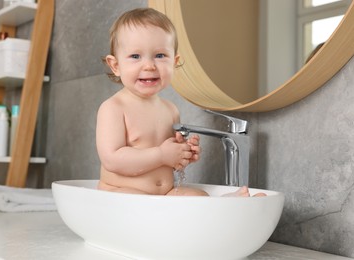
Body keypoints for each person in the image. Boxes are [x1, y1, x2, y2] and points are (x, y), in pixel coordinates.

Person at [96, 8, 262, 197]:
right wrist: (161, 154)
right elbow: (112, 160)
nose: (149, 66)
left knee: (197, 196)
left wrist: (182, 155)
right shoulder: (114, 108)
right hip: (120, 193)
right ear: (116, 65)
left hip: (164, 193)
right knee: (138, 201)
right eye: (135, 56)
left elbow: (168, 160)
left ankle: (224, 204)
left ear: (174, 62)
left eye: (160, 56)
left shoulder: (170, 110)